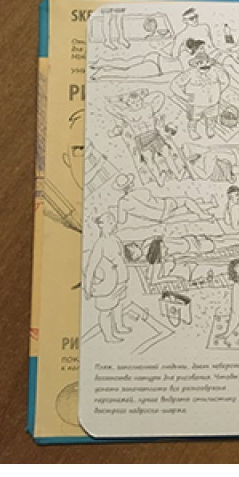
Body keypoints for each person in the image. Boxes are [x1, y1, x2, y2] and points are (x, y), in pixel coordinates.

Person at [106, 88, 187, 185]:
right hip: (141, 138)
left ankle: (177, 174)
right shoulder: (126, 113)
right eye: (133, 102)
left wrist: (142, 93)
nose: (137, 104)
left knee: (166, 153)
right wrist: (122, 98)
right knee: (149, 160)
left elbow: (160, 95)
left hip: (154, 134)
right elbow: (109, 107)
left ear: (142, 99)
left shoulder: (148, 107)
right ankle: (159, 179)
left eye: (139, 101)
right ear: (128, 103)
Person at [84, 212, 132, 343]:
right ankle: (108, 336)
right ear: (102, 225)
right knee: (106, 311)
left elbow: (122, 257)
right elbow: (91, 267)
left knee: (119, 304)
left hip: (120, 281)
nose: (113, 224)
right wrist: (87, 288)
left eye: (113, 222)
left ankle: (119, 326)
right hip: (107, 285)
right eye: (110, 222)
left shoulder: (116, 240)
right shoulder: (100, 244)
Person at [171, 46, 231, 140]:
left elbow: (226, 80)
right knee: (193, 119)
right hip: (195, 103)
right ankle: (192, 131)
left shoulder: (216, 71)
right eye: (200, 63)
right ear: (196, 64)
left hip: (212, 102)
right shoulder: (190, 73)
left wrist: (219, 91)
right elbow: (175, 84)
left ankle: (210, 129)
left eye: (206, 63)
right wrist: (184, 96)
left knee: (212, 117)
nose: (204, 66)